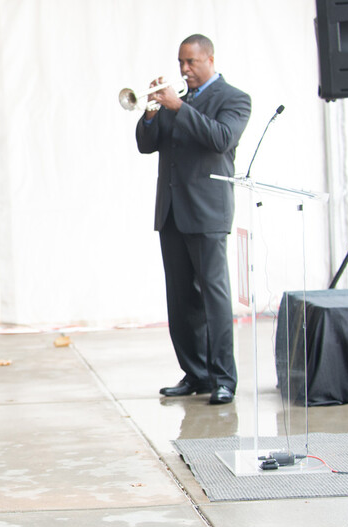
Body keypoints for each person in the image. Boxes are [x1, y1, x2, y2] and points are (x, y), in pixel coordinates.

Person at [135, 34, 251, 405]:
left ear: (210, 59)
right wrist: (152, 112)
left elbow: (221, 138)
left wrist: (179, 109)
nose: (184, 70)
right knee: (181, 298)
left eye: (191, 62)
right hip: (171, 212)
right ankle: (195, 373)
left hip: (207, 211)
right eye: (180, 63)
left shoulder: (234, 99)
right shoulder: (175, 102)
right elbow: (145, 144)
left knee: (214, 298)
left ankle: (223, 379)